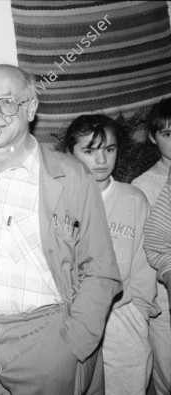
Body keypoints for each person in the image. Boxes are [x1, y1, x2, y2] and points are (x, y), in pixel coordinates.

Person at [0, 64, 122, 395]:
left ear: (30, 107)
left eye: (6, 102)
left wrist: (73, 343)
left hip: (45, 345)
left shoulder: (70, 177)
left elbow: (101, 272)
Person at [65, 114, 158, 394]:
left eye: (109, 149)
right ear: (70, 153)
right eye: (89, 151)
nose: (101, 160)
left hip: (122, 319)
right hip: (76, 319)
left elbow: (145, 264)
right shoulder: (62, 201)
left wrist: (139, 311)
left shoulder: (133, 199)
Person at [133, 97, 171, 395]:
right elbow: (143, 249)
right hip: (165, 301)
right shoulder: (143, 187)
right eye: (168, 134)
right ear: (153, 137)